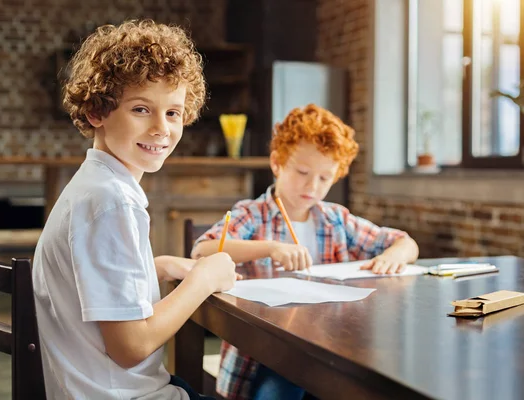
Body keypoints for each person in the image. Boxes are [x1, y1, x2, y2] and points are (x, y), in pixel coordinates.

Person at [32, 19, 238, 400]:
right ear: (97, 112)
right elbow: (131, 347)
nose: (162, 128)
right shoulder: (111, 202)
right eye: (142, 109)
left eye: (173, 113)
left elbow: (92, 281)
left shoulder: (92, 186)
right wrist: (203, 280)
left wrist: (159, 266)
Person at [192, 104, 419, 400]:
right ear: (277, 164)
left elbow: (406, 243)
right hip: (266, 356)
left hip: (329, 352)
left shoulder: (335, 219)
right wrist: (270, 248)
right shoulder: (253, 214)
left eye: (325, 178)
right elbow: (202, 250)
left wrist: (393, 255)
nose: (312, 186)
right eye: (302, 172)